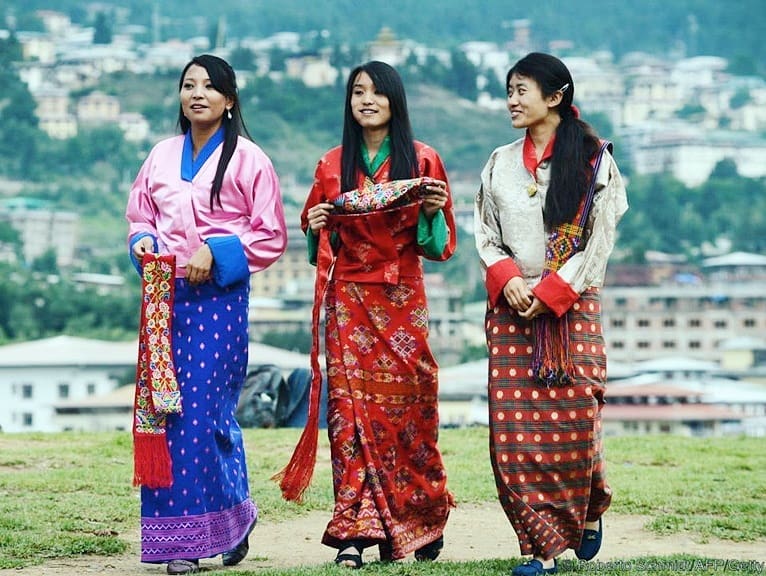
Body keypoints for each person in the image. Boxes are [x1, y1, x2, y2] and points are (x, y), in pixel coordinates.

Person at [275, 60, 456, 569]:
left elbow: (439, 247)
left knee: (412, 411)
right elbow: (320, 248)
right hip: (349, 300)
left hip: (402, 300)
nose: (367, 100)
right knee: (349, 416)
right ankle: (353, 530)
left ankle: (421, 517)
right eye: (358, 92)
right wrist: (315, 225)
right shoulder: (331, 165)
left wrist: (431, 211)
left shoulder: (424, 160)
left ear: (396, 100)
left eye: (377, 92)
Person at [125, 54, 287, 575]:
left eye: (210, 86)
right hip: (162, 298)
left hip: (218, 299)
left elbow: (271, 235)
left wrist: (216, 251)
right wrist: (143, 240)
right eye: (189, 85)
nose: (198, 94)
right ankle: (190, 537)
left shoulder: (250, 160)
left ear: (229, 100)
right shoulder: (160, 155)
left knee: (203, 415)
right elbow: (140, 215)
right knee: (166, 414)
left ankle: (208, 531)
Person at [474, 52, 628, 576]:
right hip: (513, 309)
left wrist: (556, 289)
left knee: (577, 419)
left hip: (571, 308)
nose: (512, 101)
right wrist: (508, 279)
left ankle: (589, 504)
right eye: (509, 91)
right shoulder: (498, 162)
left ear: (555, 96)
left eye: (522, 90)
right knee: (513, 436)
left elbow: (599, 239)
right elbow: (485, 232)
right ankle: (538, 547)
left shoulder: (594, 160)